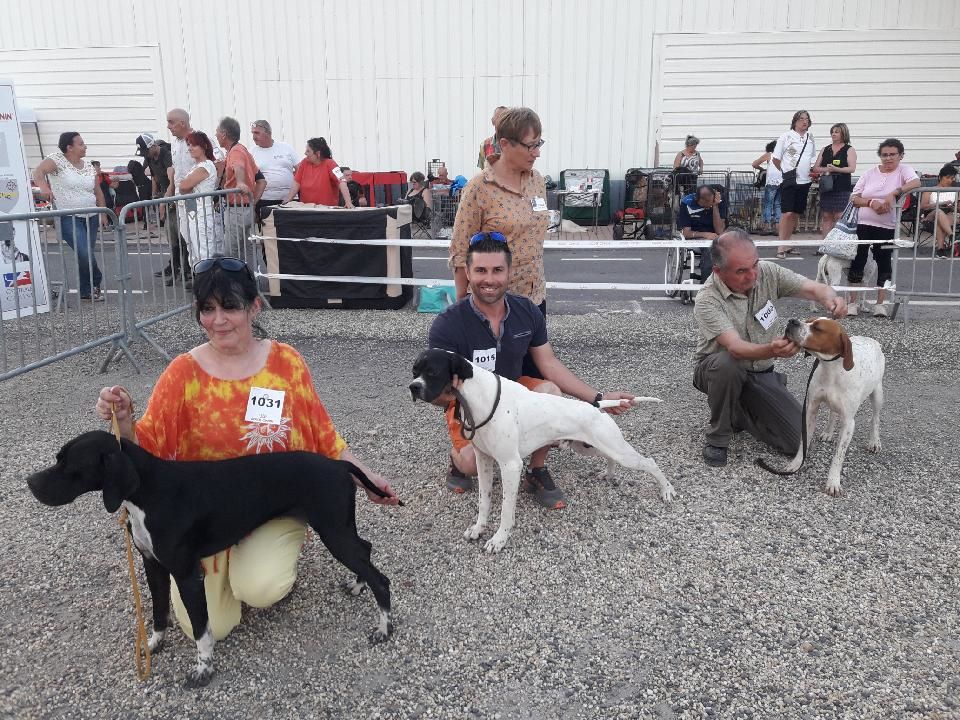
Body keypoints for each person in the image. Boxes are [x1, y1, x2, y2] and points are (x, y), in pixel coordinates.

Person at [94, 255, 399, 641]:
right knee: (213, 626)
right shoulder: (182, 374)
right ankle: (222, 565)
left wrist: (367, 477)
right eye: (208, 309)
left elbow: (323, 436)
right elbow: (147, 449)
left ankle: (262, 560)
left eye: (230, 307)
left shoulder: (286, 363)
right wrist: (122, 419)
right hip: (204, 514)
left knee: (259, 587)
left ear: (255, 307)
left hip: (271, 505)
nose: (218, 320)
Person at [429, 233, 637, 505]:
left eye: (497, 270)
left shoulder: (527, 311)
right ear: (467, 273)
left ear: (509, 272)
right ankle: (457, 461)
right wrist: (443, 397)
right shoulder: (448, 324)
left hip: (514, 393)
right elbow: (438, 390)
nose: (489, 279)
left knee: (550, 392)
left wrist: (598, 399)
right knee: (472, 463)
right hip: (470, 403)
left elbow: (549, 364)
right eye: (480, 270)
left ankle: (536, 470)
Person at [693, 229, 847, 468]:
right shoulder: (707, 299)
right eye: (741, 271)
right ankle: (718, 438)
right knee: (728, 365)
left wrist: (830, 298)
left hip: (760, 371)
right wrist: (772, 350)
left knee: (799, 442)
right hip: (717, 371)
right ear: (718, 271)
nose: (752, 275)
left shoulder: (767, 272)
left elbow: (813, 289)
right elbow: (736, 348)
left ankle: (741, 409)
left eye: (754, 265)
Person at [451, 107, 550, 378]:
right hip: (493, 305)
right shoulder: (479, 188)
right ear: (505, 144)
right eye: (530, 146)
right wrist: (462, 306)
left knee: (535, 380)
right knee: (495, 384)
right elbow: (460, 251)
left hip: (534, 299)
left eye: (539, 144)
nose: (537, 153)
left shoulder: (537, 181)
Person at [848, 139, 921, 317]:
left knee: (884, 262)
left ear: (900, 155)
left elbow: (916, 182)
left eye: (892, 154)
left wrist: (894, 193)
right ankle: (852, 303)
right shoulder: (869, 173)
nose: (888, 158)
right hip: (864, 223)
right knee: (858, 261)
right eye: (884, 155)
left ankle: (880, 304)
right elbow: (854, 197)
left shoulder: (904, 170)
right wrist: (871, 203)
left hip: (887, 225)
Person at [31, 132, 107, 301]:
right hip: (69, 216)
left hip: (91, 216)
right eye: (81, 144)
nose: (85, 146)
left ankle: (87, 290)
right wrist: (44, 187)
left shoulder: (89, 167)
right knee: (84, 252)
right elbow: (38, 172)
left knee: (85, 254)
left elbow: (98, 191)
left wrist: (103, 212)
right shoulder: (57, 160)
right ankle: (96, 280)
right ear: (69, 147)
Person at [166, 108, 225, 287]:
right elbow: (177, 176)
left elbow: (219, 163)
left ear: (182, 123)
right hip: (184, 202)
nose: (168, 126)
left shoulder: (202, 141)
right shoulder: (175, 144)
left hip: (199, 202)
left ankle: (209, 281)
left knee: (204, 243)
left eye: (171, 122)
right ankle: (197, 276)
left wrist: (213, 190)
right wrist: (171, 191)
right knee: (189, 239)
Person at [215, 116, 264, 262]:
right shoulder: (243, 150)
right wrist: (252, 202)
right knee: (247, 250)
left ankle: (234, 276)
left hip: (236, 209)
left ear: (224, 134)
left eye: (217, 132)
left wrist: (241, 183)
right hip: (246, 209)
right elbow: (261, 180)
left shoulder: (236, 152)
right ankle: (250, 276)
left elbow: (239, 167)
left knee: (232, 251)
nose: (216, 135)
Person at [136, 132, 182, 280]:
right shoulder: (149, 158)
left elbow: (172, 181)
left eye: (147, 151)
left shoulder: (167, 155)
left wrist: (164, 202)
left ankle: (182, 267)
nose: (146, 155)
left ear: (153, 146)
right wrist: (154, 197)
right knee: (170, 234)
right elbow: (154, 178)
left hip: (174, 196)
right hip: (164, 196)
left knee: (178, 233)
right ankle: (174, 265)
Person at [773, 110, 816, 258]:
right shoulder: (786, 137)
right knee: (787, 212)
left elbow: (810, 157)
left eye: (806, 119)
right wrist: (785, 171)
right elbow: (776, 158)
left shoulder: (810, 138)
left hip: (805, 180)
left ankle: (788, 242)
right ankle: (780, 245)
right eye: (801, 119)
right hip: (790, 179)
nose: (804, 121)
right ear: (795, 121)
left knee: (796, 213)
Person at [176, 131, 221, 268]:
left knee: (204, 249)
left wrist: (186, 186)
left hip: (202, 213)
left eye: (194, 145)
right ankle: (199, 276)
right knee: (193, 248)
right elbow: (184, 186)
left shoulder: (206, 166)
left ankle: (208, 277)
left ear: (204, 146)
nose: (190, 148)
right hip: (193, 212)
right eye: (189, 145)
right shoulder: (195, 167)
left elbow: (183, 186)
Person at [248, 119, 299, 224]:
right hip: (265, 200)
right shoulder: (251, 153)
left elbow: (300, 171)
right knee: (268, 231)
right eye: (252, 133)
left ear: (268, 133)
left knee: (291, 229)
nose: (253, 136)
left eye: (257, 133)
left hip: (290, 198)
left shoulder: (286, 147)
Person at [812, 123, 857, 241]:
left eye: (837, 132)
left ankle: (837, 243)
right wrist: (827, 169)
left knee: (839, 215)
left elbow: (851, 168)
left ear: (843, 133)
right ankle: (825, 244)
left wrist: (836, 169)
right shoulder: (825, 149)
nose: (833, 134)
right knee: (826, 215)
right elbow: (816, 167)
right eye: (832, 132)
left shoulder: (849, 149)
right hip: (827, 186)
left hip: (842, 186)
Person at [283, 137, 353, 207]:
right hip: (306, 208)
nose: (305, 153)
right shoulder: (304, 162)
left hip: (326, 209)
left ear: (318, 153)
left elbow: (342, 182)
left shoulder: (331, 164)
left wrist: (348, 202)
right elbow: (296, 183)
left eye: (308, 151)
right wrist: (287, 200)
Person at [677, 184, 726, 280]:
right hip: (696, 236)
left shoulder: (719, 201)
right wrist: (705, 235)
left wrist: (715, 206)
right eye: (705, 203)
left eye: (710, 202)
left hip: (715, 236)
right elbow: (686, 233)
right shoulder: (687, 203)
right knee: (709, 249)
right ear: (698, 199)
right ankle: (706, 282)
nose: (709, 205)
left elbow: (720, 230)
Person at [919, 164, 958, 258]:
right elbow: (923, 206)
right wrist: (941, 203)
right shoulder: (930, 190)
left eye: (952, 178)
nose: (950, 180)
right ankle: (952, 236)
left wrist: (953, 206)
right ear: (940, 177)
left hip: (949, 214)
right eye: (947, 178)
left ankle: (941, 250)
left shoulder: (955, 190)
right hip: (931, 215)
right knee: (938, 212)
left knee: (941, 219)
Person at [752, 140, 782, 236]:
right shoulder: (783, 156)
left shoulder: (769, 155)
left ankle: (766, 226)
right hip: (782, 182)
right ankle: (777, 228)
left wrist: (762, 169)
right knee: (778, 204)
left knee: (768, 204)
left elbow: (754, 164)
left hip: (771, 182)